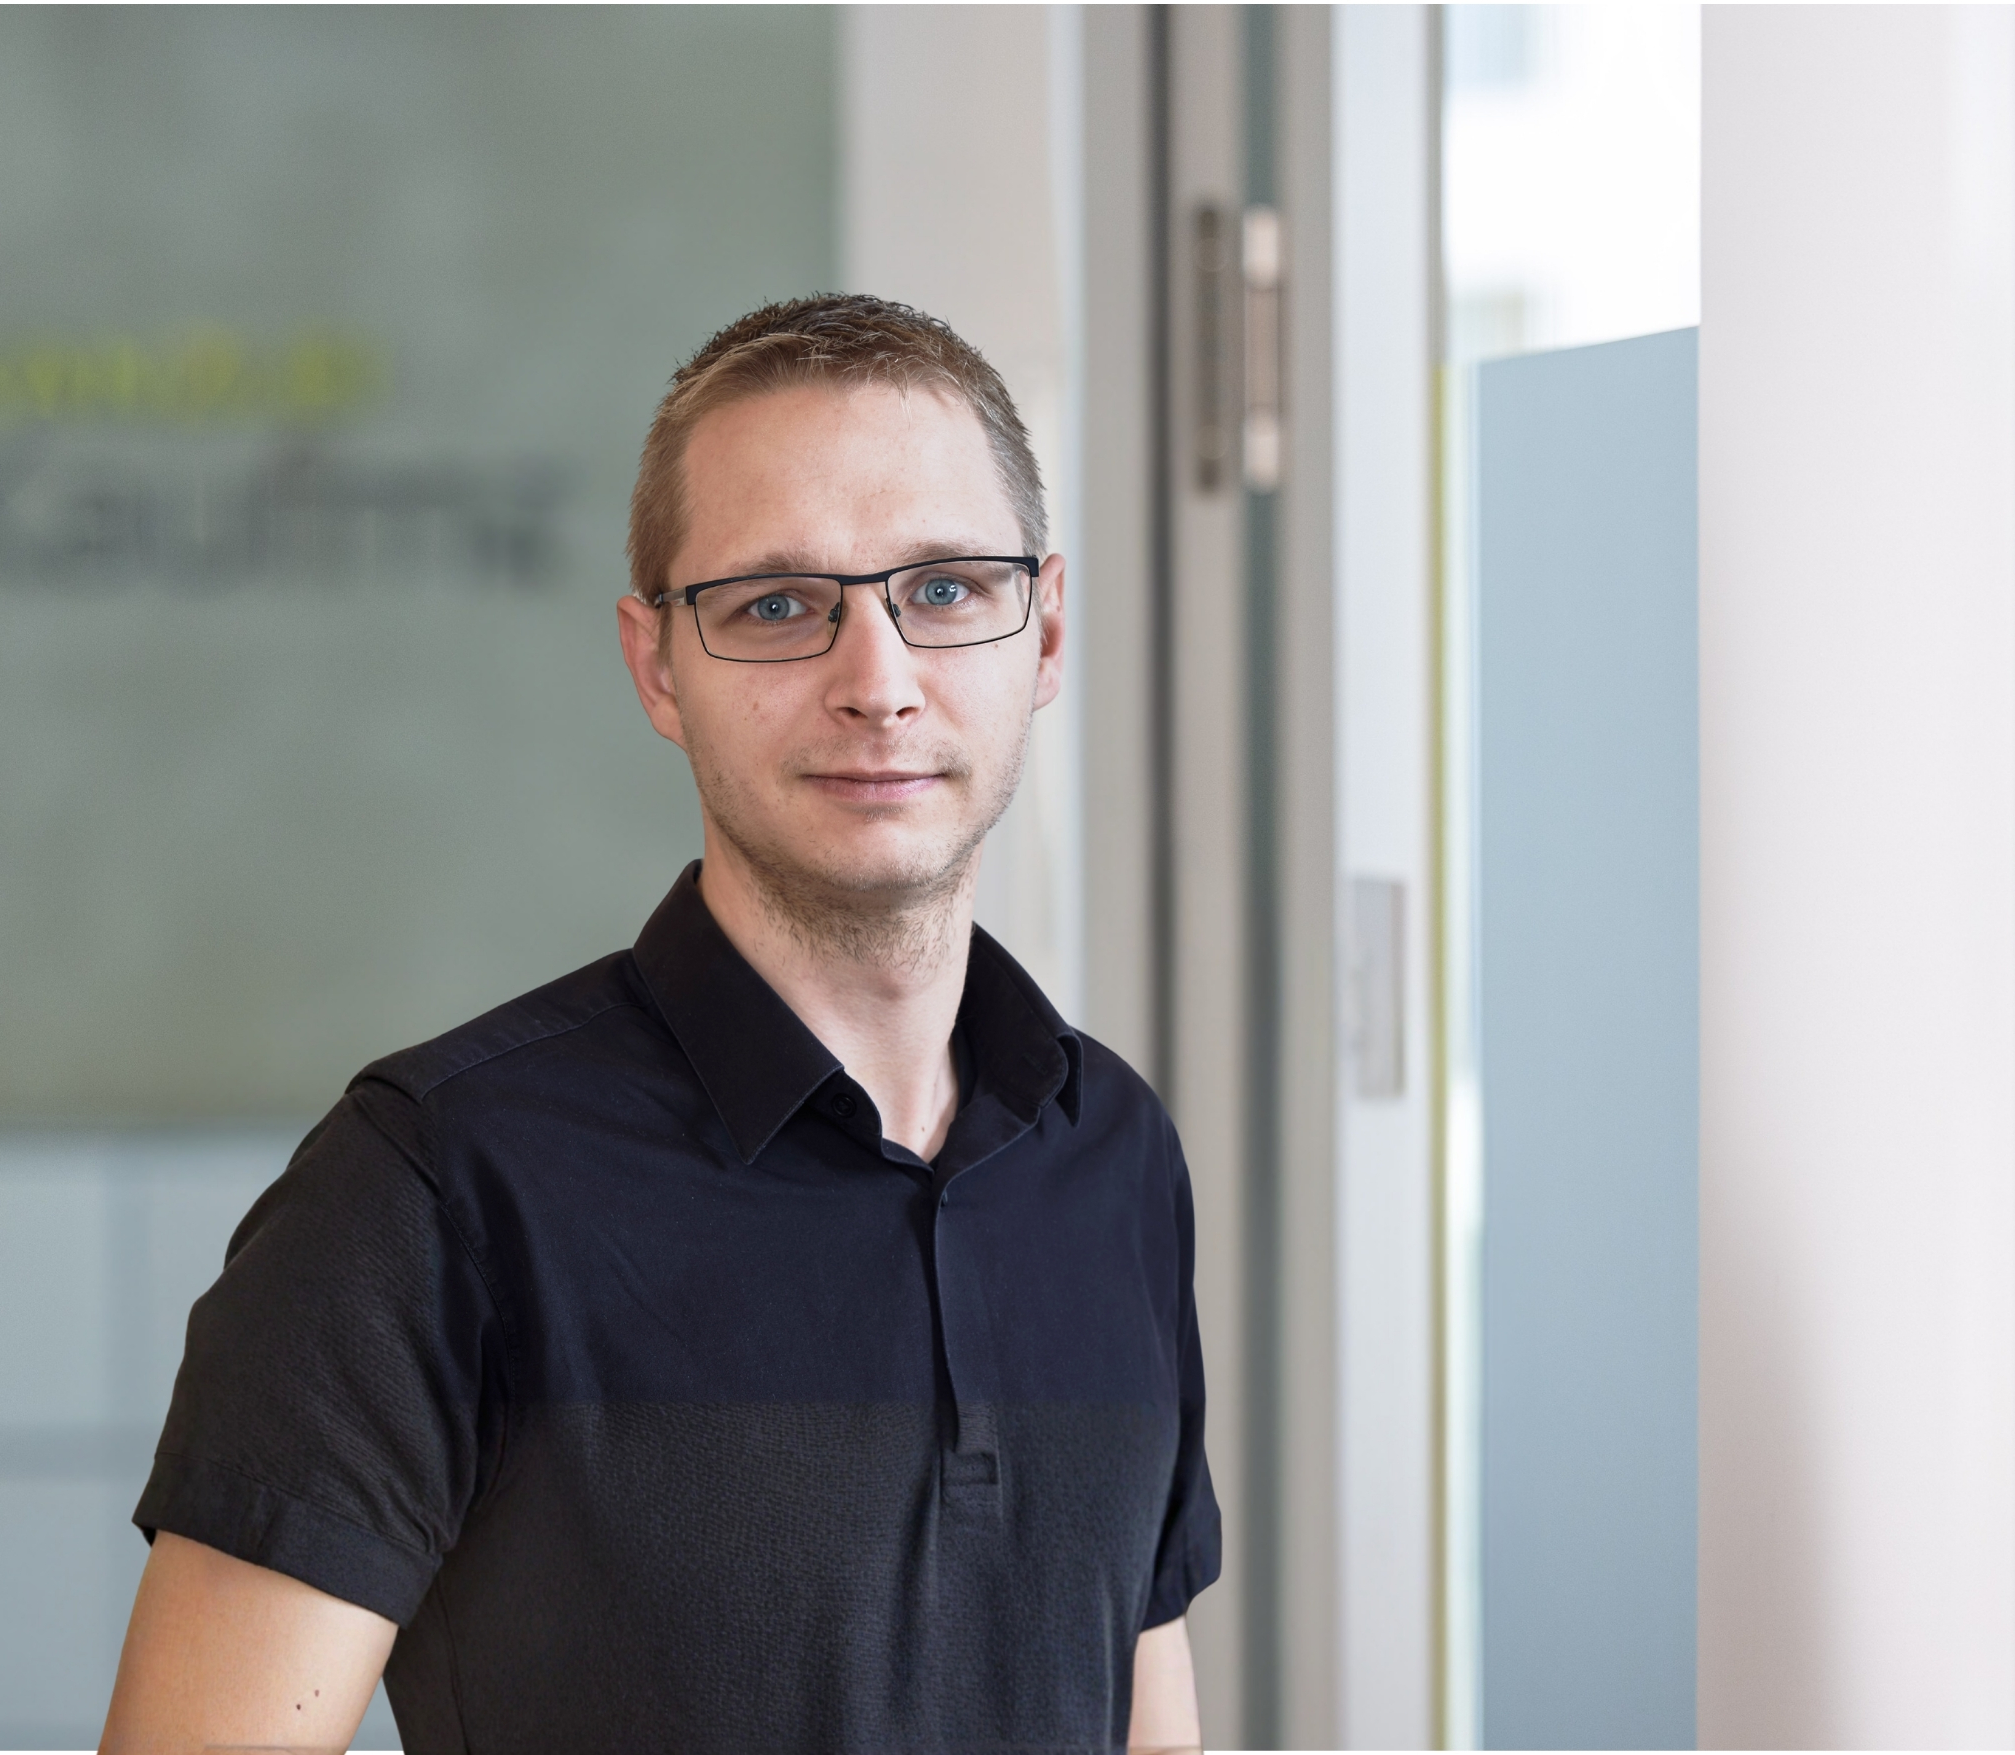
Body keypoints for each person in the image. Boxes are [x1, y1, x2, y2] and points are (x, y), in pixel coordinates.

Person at [98, 293, 1219, 1755]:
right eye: (776, 607)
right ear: (656, 669)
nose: (878, 683)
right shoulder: (433, 1188)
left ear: (1046, 630)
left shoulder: (1115, 1154)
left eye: (943, 591)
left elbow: (1145, 1712)